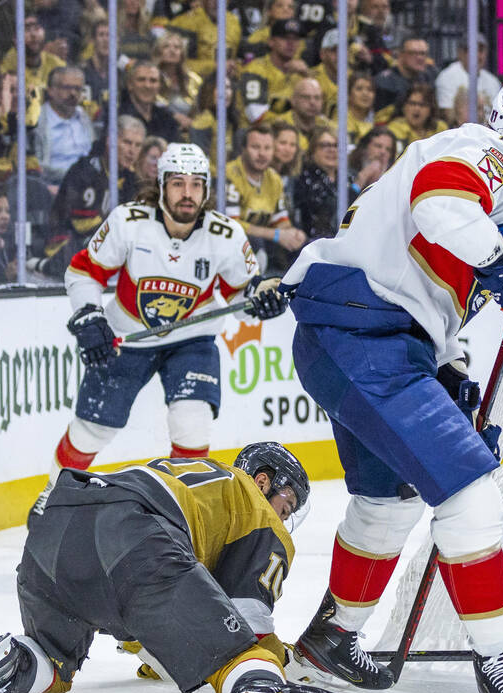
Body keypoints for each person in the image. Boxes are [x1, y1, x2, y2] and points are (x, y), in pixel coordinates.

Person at [276, 71, 503, 693]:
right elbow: (436, 204)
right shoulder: (489, 152)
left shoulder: (493, 197)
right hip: (363, 333)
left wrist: (456, 366)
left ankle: (329, 643)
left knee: (386, 505)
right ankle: (496, 656)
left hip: (366, 337)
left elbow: (440, 271)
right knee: (471, 494)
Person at [0, 442, 351, 693]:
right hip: (133, 536)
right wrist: (282, 661)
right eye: (285, 506)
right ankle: (256, 685)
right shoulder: (254, 506)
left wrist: (166, 656)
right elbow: (248, 620)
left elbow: (155, 616)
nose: (283, 519)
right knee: (235, 655)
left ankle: (18, 663)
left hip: (52, 531)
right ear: (262, 482)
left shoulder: (194, 481)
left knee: (51, 662)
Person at [32, 143, 290, 511]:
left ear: (206, 189)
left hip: (192, 340)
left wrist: (261, 301)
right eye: (178, 183)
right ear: (162, 185)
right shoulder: (128, 221)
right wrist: (90, 315)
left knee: (192, 423)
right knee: (93, 429)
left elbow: (242, 298)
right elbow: (83, 271)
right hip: (128, 335)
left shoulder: (225, 234)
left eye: (197, 184)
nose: (188, 193)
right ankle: (53, 495)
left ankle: (180, 511)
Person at [41, 116, 145, 279]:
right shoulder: (85, 171)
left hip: (102, 249)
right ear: (110, 141)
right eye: (127, 142)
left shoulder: (130, 180)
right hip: (64, 247)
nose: (132, 151)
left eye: (138, 145)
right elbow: (83, 226)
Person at [226, 123, 307, 273]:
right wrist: (276, 235)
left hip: (265, 248)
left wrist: (293, 234)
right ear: (243, 149)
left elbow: (281, 221)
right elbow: (231, 224)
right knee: (256, 243)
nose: (262, 154)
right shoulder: (229, 174)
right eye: (255, 147)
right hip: (231, 248)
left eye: (267, 148)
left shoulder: (274, 179)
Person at [239, 19, 310, 125]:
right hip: (256, 134)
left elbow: (314, 111)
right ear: (271, 42)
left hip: (291, 134)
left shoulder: (301, 72)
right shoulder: (255, 70)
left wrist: (307, 76)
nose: (291, 43)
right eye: (284, 38)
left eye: (295, 39)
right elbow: (256, 115)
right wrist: (295, 123)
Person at [35, 67, 95, 186]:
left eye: (77, 89)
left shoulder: (84, 117)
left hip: (88, 186)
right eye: (66, 88)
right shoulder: (38, 121)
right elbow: (37, 168)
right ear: (51, 90)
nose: (73, 93)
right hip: (54, 187)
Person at [291, 125, 345, 243]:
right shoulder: (303, 178)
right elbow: (324, 211)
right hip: (314, 244)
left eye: (336, 145)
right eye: (325, 145)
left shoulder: (349, 177)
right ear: (312, 150)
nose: (332, 150)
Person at [435, 34, 502, 126]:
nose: (477, 55)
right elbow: (447, 116)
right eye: (472, 50)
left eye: (481, 50)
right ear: (460, 53)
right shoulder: (447, 77)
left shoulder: (493, 81)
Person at [154, 32, 203, 134]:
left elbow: (201, 111)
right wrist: (174, 116)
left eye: (177, 47)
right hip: (158, 129)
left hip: (190, 131)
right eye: (166, 46)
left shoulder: (194, 80)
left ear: (182, 53)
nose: (172, 50)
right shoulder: (150, 77)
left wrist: (193, 124)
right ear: (158, 52)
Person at [382, 82, 448, 157]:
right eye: (412, 103)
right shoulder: (394, 129)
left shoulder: (440, 128)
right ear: (404, 107)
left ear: (431, 110)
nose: (417, 109)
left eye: (422, 105)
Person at [122, 61, 183, 143]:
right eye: (141, 80)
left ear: (159, 86)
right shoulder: (115, 116)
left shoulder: (167, 118)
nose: (147, 86)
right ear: (130, 84)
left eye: (153, 81)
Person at [373, 36, 437, 112]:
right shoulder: (384, 81)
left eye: (423, 53)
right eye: (414, 53)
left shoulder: (429, 77)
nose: (420, 58)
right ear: (400, 55)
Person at [275, 78, 331, 151]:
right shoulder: (278, 126)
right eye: (306, 97)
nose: (312, 102)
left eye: (317, 98)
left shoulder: (329, 127)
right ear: (293, 100)